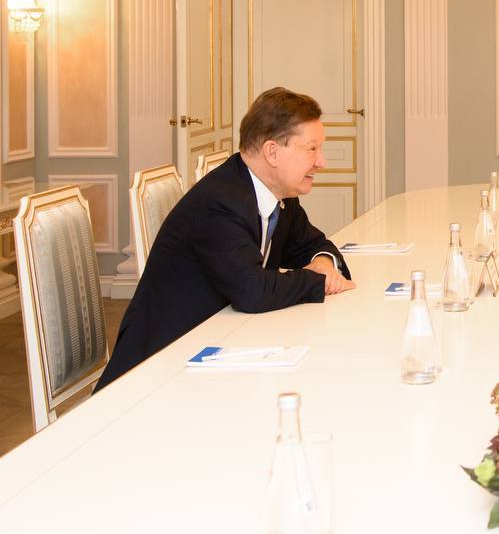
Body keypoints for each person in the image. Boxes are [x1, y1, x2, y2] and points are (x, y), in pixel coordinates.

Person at [97, 87, 356, 391]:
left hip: (216, 347)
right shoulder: (220, 201)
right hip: (156, 372)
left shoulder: (279, 194)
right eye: (312, 149)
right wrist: (318, 281)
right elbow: (252, 291)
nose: (321, 162)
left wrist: (323, 263)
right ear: (272, 152)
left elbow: (312, 245)